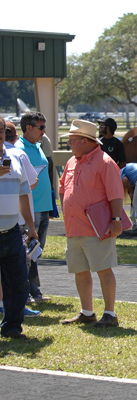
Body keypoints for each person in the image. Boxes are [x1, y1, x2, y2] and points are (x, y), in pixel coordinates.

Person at [59, 120, 125, 328]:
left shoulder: (105, 162)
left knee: (103, 269)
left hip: (97, 228)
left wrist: (116, 220)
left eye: (72, 140)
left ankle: (110, 313)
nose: (69, 144)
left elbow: (116, 195)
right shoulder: (71, 162)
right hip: (74, 227)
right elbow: (63, 188)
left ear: (86, 141)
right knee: (80, 270)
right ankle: (87, 312)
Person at [0, 117, 38, 339]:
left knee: (18, 284)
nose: (0, 134)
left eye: (2, 130)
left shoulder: (14, 157)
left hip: (12, 231)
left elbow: (24, 194)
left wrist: (31, 226)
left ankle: (12, 328)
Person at [16, 112, 53, 303]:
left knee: (36, 251)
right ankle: (28, 292)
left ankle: (34, 290)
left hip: (44, 206)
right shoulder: (18, 149)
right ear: (28, 128)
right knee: (28, 252)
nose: (44, 131)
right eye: (41, 127)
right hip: (31, 209)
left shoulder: (38, 146)